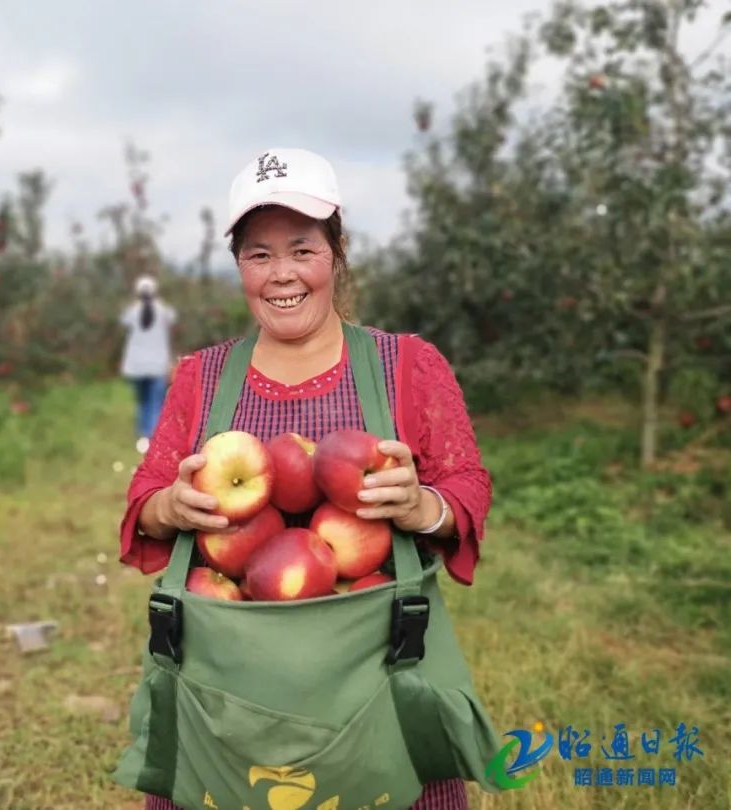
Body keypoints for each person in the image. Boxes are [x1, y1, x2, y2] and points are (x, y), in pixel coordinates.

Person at [118, 148, 492, 810]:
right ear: (239, 266)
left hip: (373, 678)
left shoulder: (404, 366)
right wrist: (171, 506)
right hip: (233, 684)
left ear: (336, 253)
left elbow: (465, 487)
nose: (282, 274)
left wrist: (420, 506)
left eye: (301, 249)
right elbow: (143, 506)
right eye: (259, 254)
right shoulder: (202, 379)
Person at [120, 274, 177, 454]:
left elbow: (124, 321)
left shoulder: (132, 311)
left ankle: (144, 435)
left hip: (136, 366)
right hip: (157, 365)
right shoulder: (163, 311)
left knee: (143, 401)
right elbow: (172, 319)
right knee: (156, 401)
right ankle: (152, 437)